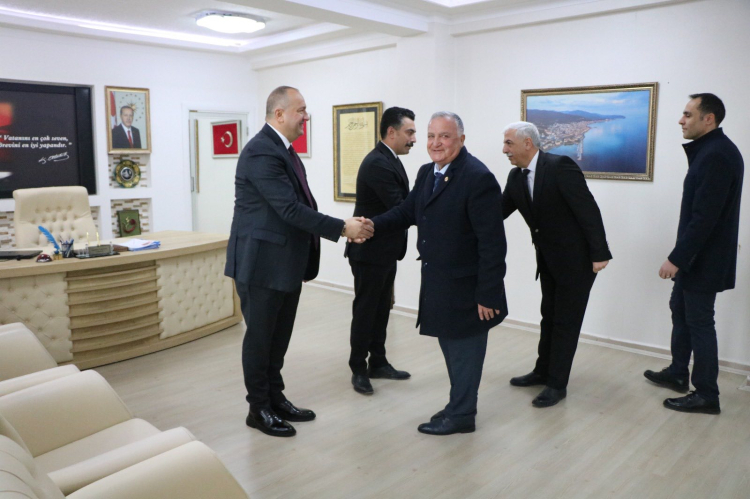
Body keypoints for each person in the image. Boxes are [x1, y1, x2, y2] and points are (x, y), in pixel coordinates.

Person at [225, 86, 374, 437]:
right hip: (261, 265)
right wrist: (343, 228)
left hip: (283, 264)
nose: (306, 117)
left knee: (278, 340)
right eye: (301, 110)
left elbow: (298, 207)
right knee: (260, 340)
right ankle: (258, 408)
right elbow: (290, 209)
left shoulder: (284, 150)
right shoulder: (261, 151)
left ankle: (275, 399)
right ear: (279, 114)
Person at [371, 112, 507, 435]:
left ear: (461, 139)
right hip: (440, 283)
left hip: (469, 289)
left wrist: (488, 294)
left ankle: (462, 415)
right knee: (451, 349)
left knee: (465, 354)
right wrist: (371, 226)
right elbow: (406, 212)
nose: (435, 143)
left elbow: (493, 244)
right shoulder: (427, 173)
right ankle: (458, 405)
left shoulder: (477, 178)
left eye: (444, 136)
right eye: (431, 136)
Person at [644, 93, 744, 414]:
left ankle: (706, 394)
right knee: (680, 309)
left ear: (708, 119)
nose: (681, 120)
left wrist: (677, 258)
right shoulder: (711, 151)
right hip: (697, 258)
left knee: (700, 322)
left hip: (704, 259)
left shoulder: (716, 155)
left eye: (688, 114)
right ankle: (678, 373)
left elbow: (704, 218)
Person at [501, 121, 611, 408]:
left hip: (578, 261)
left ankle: (557, 384)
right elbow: (496, 212)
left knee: (566, 322)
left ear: (528, 143)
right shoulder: (516, 177)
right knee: (549, 316)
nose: (504, 149)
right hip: (548, 259)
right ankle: (542, 371)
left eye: (509, 143)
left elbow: (587, 209)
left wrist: (600, 253)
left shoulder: (559, 166)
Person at [345, 107, 416, 395]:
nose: (413, 139)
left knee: (381, 309)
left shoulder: (391, 159)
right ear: (391, 132)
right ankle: (358, 368)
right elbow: (401, 206)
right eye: (409, 132)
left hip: (385, 250)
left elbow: (404, 204)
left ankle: (378, 362)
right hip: (369, 252)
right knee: (366, 311)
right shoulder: (377, 163)